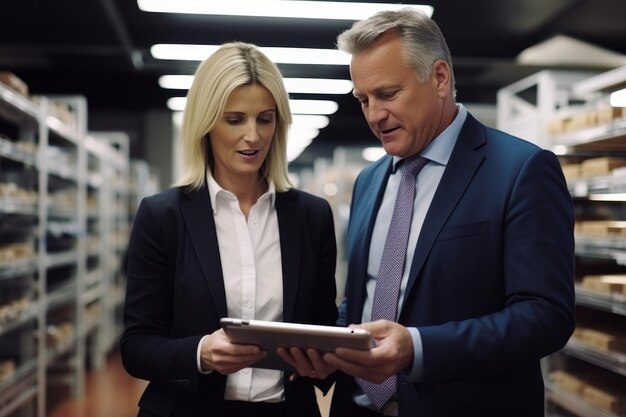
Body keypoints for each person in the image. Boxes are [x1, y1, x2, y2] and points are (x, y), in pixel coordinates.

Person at [319, 8, 575, 417]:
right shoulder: (369, 180)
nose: (373, 115)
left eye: (387, 94)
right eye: (363, 100)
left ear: (439, 78)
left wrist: (418, 348)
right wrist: (326, 344)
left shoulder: (520, 170)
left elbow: (546, 316)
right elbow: (364, 297)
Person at [120, 42, 338, 417]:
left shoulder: (311, 216)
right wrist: (201, 352)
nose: (253, 136)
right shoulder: (162, 216)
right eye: (235, 119)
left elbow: (323, 325)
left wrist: (324, 362)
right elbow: (136, 345)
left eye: (265, 119)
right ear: (206, 123)